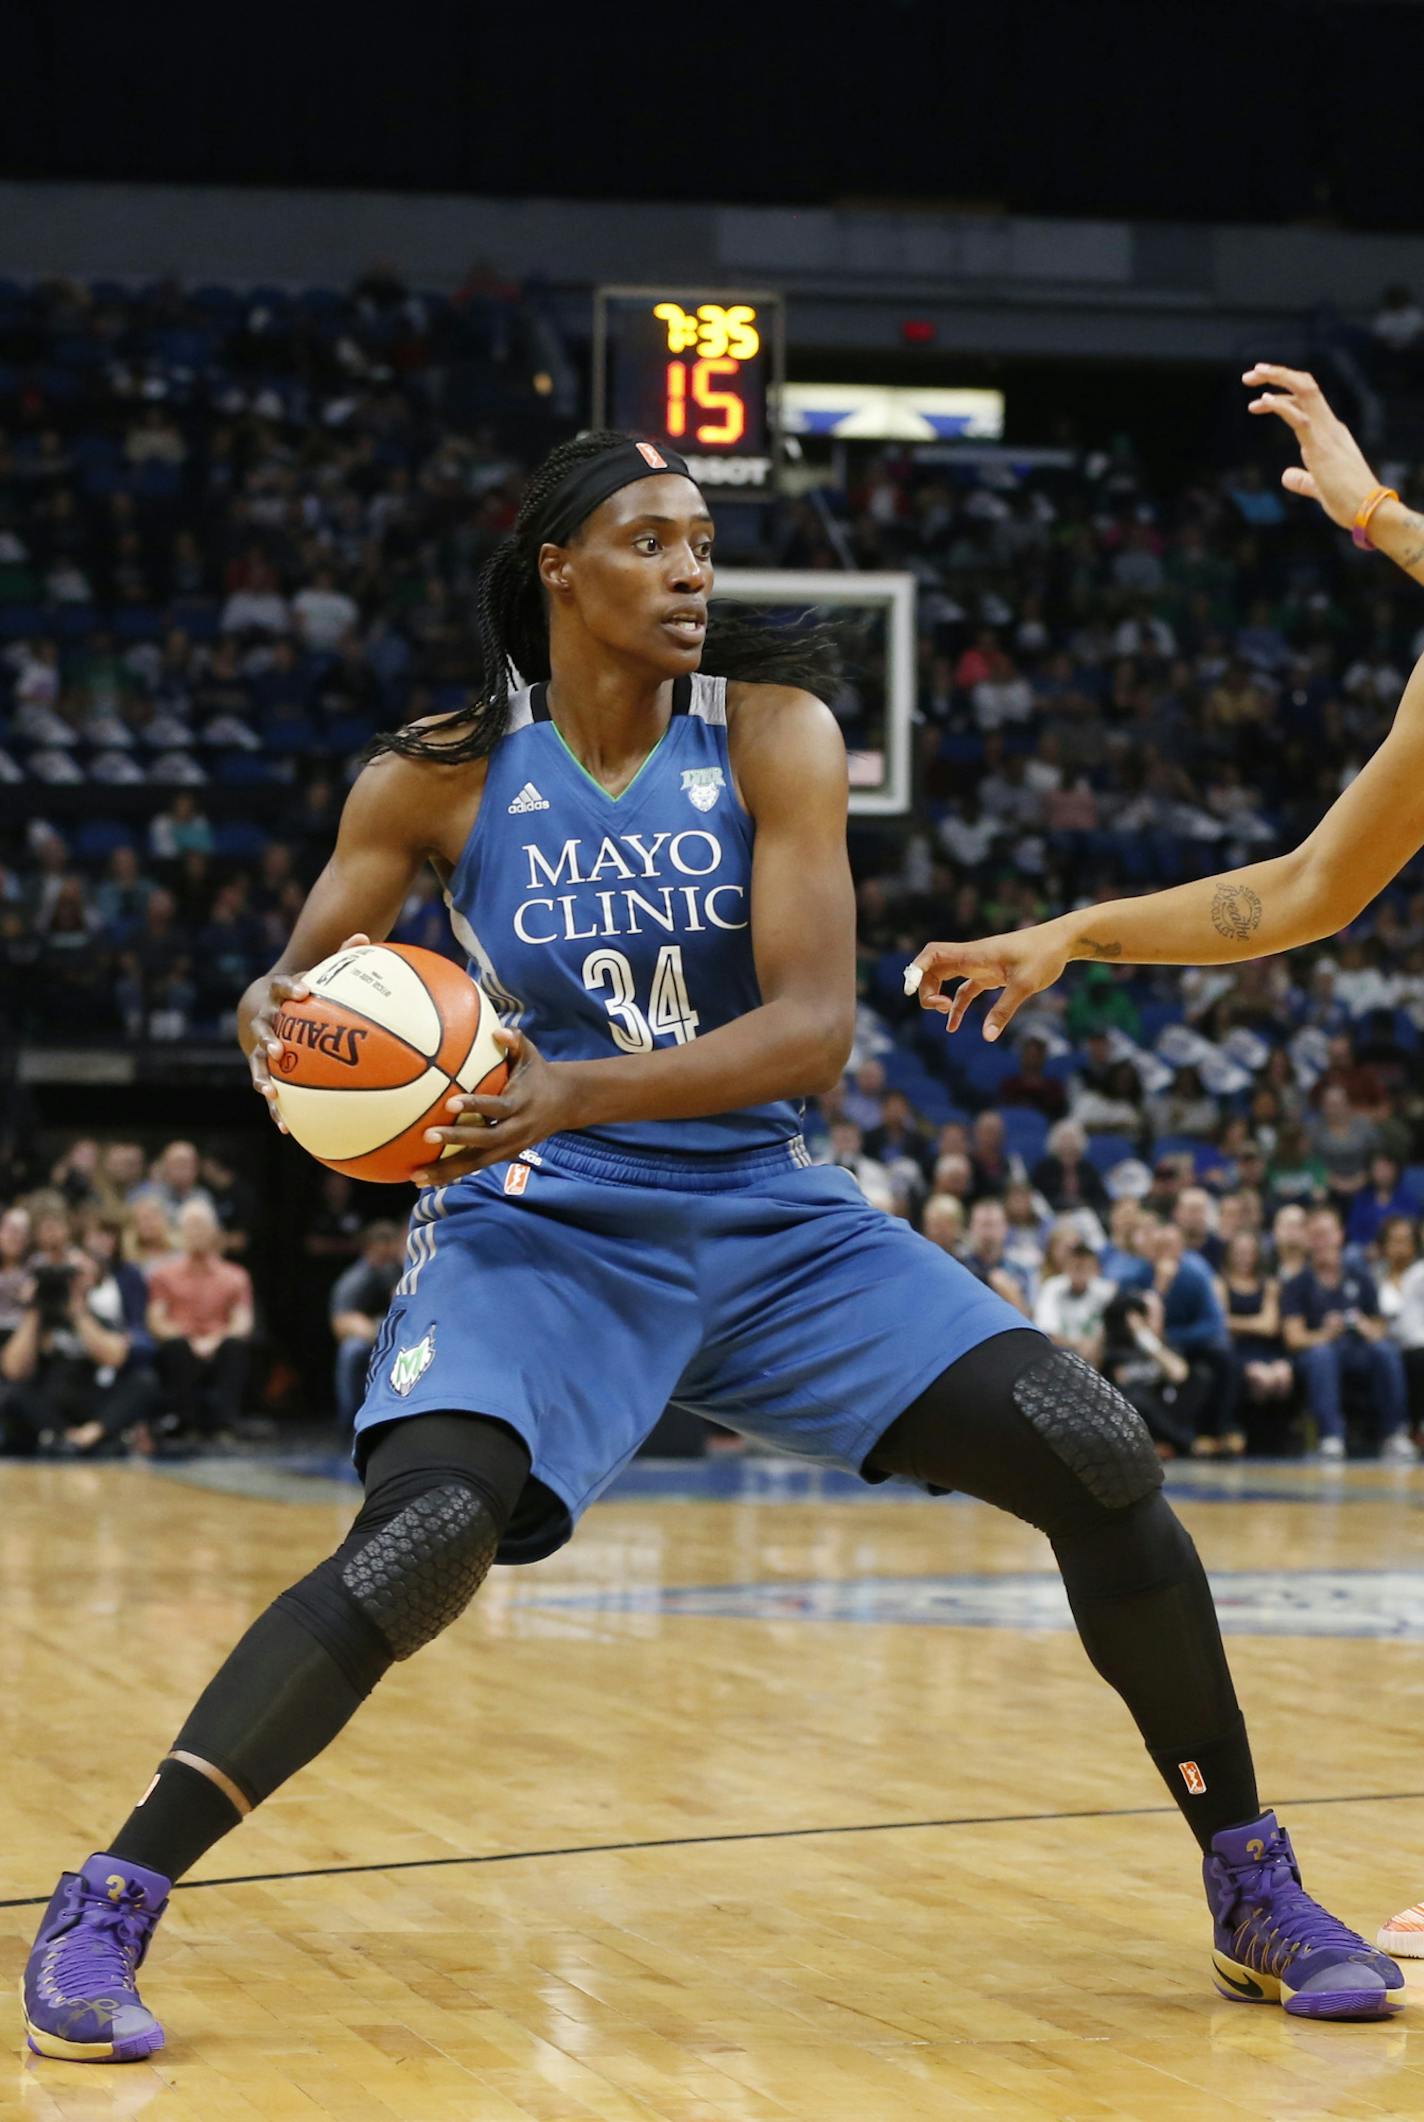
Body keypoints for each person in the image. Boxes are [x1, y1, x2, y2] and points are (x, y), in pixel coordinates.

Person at [23, 429, 1400, 2066]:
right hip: (546, 1234)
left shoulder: (772, 735)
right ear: (557, 566)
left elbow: (814, 1030)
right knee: (420, 1540)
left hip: (770, 1220)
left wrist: (568, 1088)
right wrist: (278, 1017)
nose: (691, 568)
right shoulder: (432, 774)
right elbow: (299, 987)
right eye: (650, 539)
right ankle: (112, 1889)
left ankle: (1248, 1878)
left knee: (1096, 1451)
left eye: (701, 540)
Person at [1280, 1207, 1414, 1464]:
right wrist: (1326, 1333)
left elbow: (1379, 1328)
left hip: (1356, 1350)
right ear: (1308, 1240)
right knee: (1323, 1355)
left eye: (1327, 1234)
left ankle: (1395, 1433)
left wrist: (1363, 1325)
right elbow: (1293, 1338)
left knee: (1385, 1350)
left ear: (1340, 1236)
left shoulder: (1360, 1277)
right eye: (1316, 1235)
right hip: (1315, 1353)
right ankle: (1331, 1436)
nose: (1322, 1241)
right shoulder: (1298, 1284)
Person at [146, 1200, 255, 1439]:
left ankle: (225, 1425)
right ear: (180, 1233)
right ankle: (187, 1424)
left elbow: (243, 1322)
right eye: (191, 1227)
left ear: (215, 1233)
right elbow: (156, 1320)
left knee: (235, 1346)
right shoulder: (163, 1274)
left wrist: (214, 1341)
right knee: (176, 1348)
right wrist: (188, 1341)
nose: (196, 1234)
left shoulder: (235, 1276)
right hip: (182, 1345)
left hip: (218, 1344)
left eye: (202, 1227)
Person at [328, 1221, 404, 1429]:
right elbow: (340, 1324)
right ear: (369, 1249)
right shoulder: (355, 1279)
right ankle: (350, 1422)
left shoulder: (404, 1271)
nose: (386, 1258)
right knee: (351, 1350)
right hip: (373, 1337)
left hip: (405, 1338)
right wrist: (379, 1331)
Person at [1215, 1230, 1294, 1412]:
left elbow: (1269, 1326)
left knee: (1283, 1376)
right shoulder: (1220, 1284)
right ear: (1229, 1255)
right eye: (1239, 1253)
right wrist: (1255, 1323)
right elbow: (1221, 1324)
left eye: (1249, 1252)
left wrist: (1237, 1323)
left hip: (1268, 1349)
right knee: (1262, 1379)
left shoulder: (1269, 1285)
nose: (1244, 1258)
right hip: (1237, 1350)